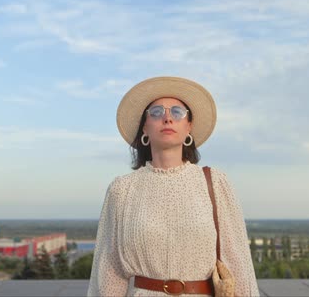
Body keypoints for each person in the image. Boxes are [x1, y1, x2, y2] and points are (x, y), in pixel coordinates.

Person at [88, 76, 259, 296]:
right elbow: (108, 273)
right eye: (156, 112)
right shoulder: (122, 190)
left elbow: (239, 265)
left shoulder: (215, 183)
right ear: (144, 128)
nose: (167, 118)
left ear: (189, 127)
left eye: (177, 112)